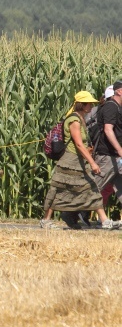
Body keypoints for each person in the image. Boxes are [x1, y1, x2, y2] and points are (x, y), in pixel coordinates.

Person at [40, 91, 119, 230]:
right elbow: (78, 144)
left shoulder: (81, 119)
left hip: (79, 162)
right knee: (58, 190)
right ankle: (46, 220)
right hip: (69, 162)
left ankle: (104, 220)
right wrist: (93, 163)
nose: (91, 106)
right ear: (82, 105)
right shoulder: (74, 120)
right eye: (89, 103)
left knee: (92, 188)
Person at [90, 80, 122, 211]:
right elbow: (108, 130)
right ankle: (73, 213)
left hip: (115, 157)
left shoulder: (117, 107)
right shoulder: (111, 106)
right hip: (107, 156)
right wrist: (120, 149)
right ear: (119, 91)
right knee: (95, 187)